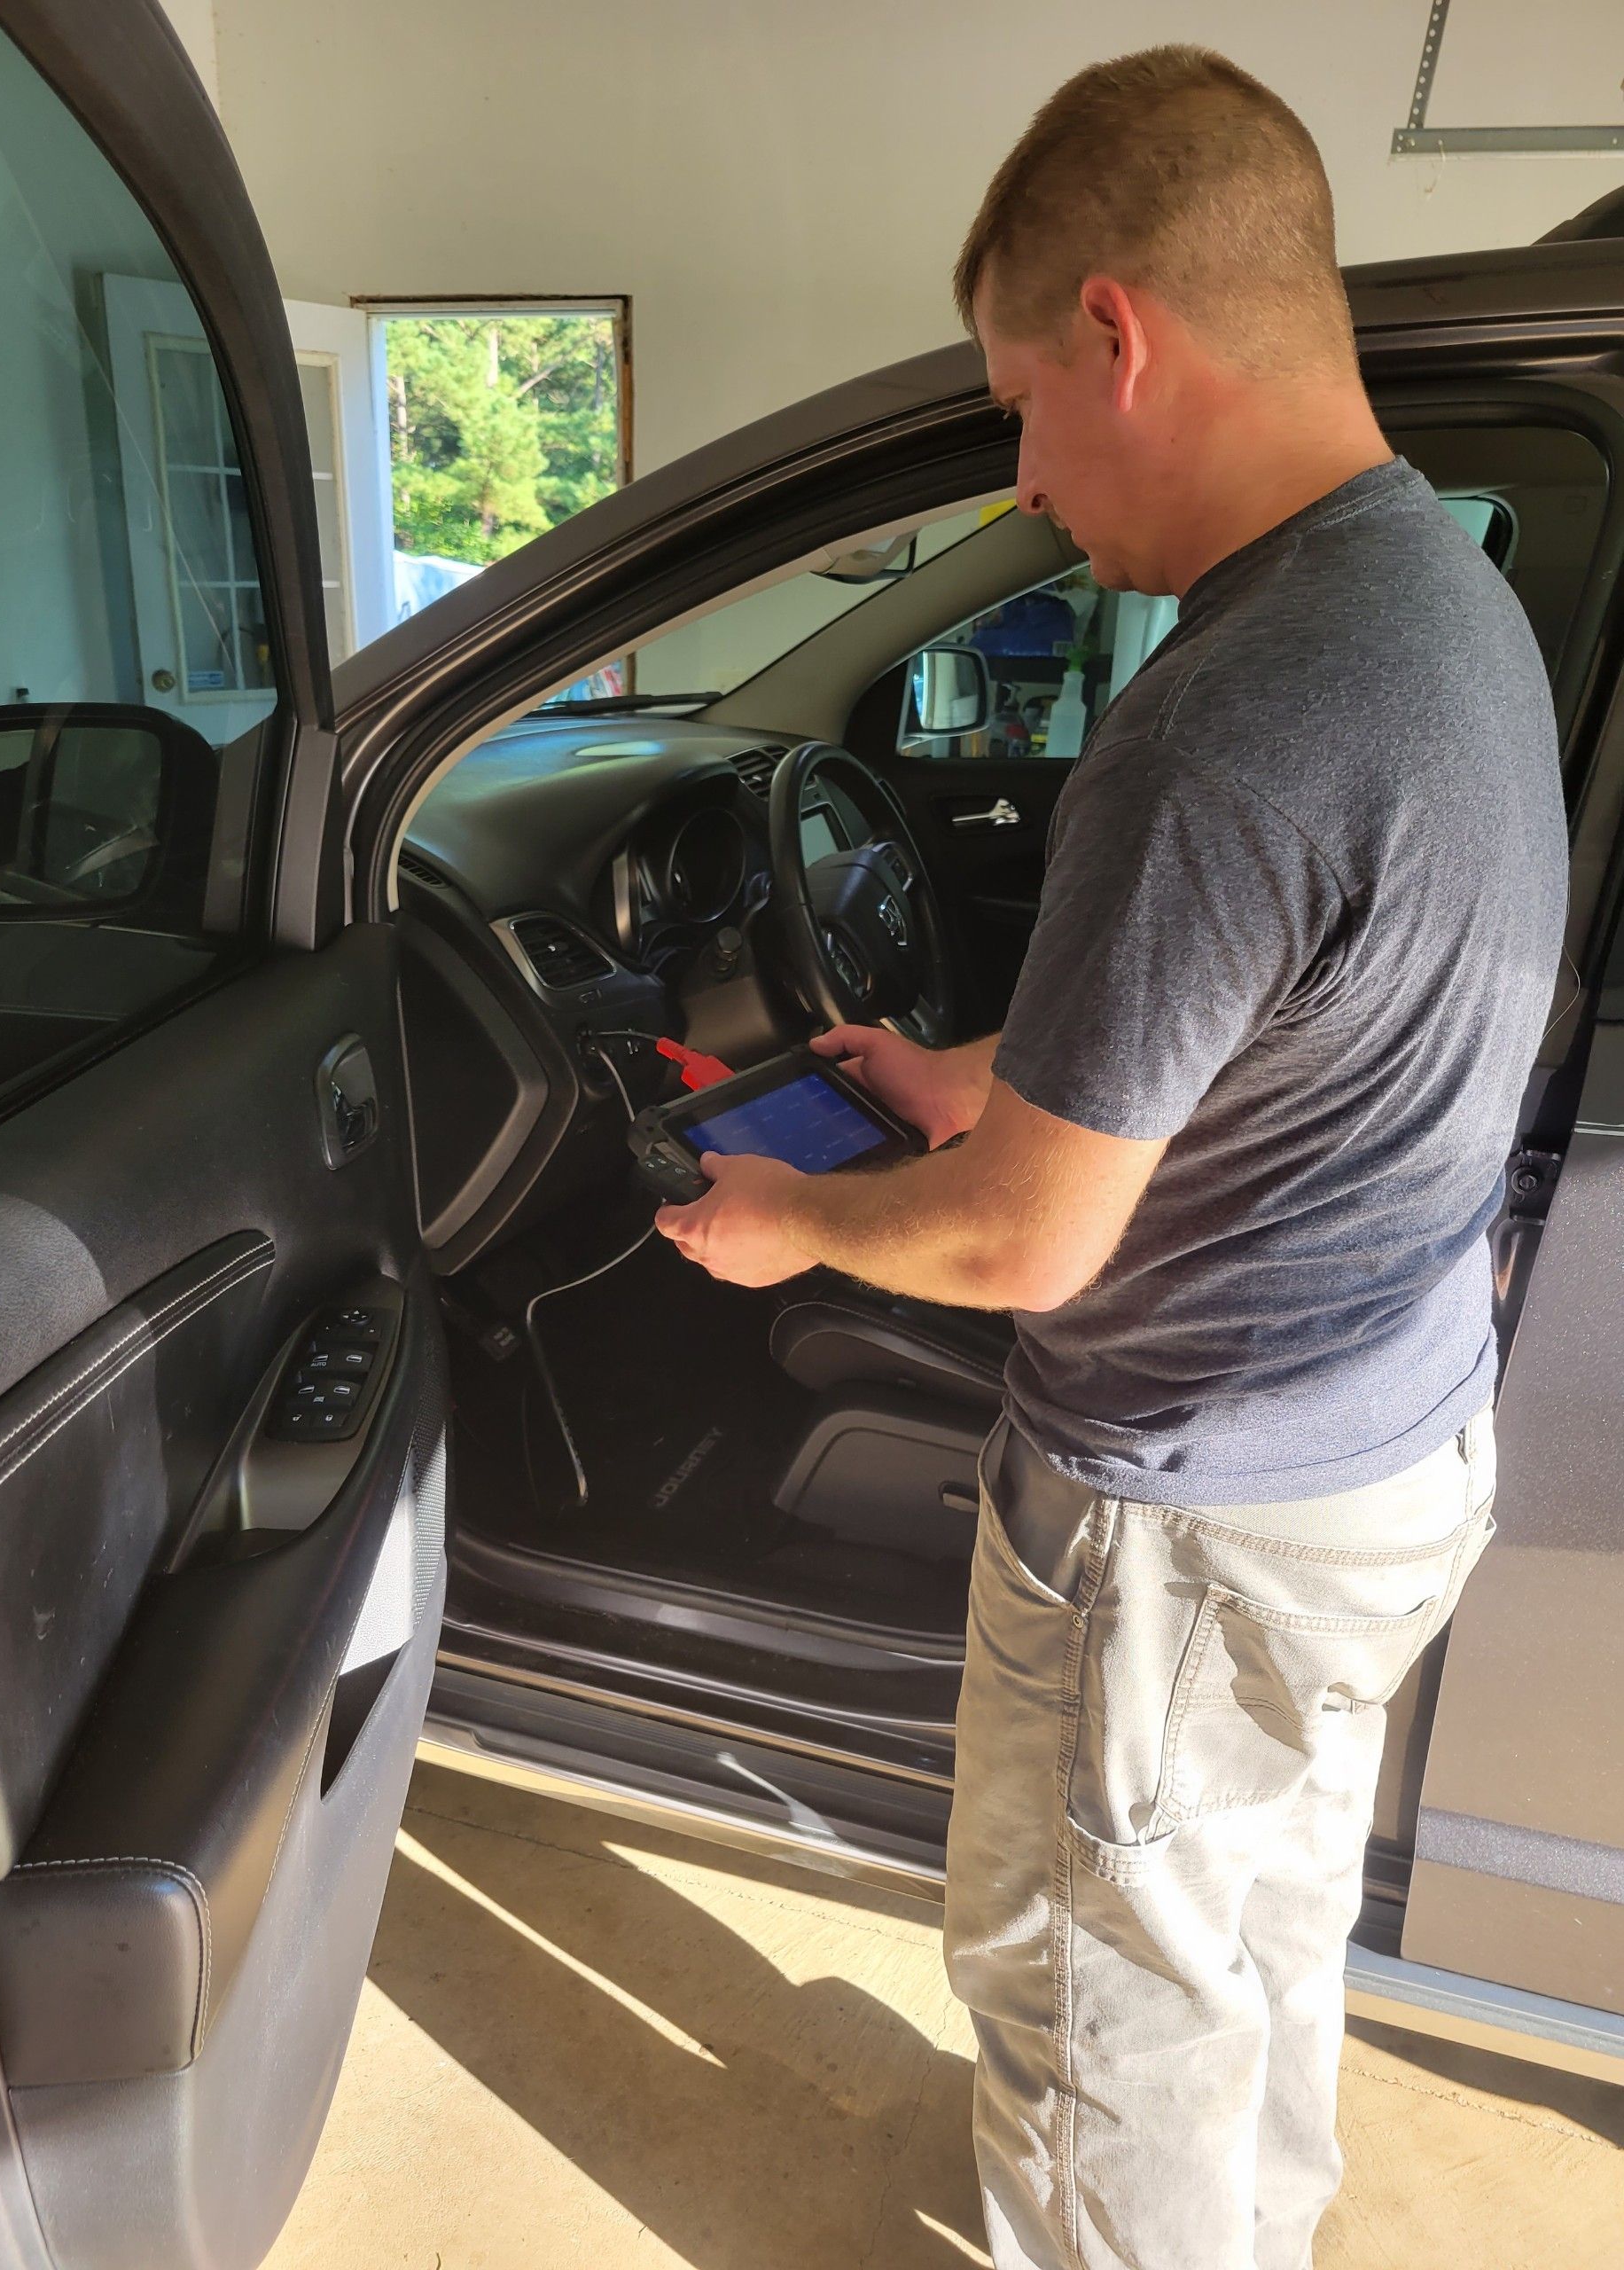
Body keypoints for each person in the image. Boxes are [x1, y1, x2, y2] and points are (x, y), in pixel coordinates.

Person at [654, 43, 1565, 2270]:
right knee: (1248, 1937)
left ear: (1118, 335)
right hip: (1384, 1461)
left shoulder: (1218, 722)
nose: (1032, 482)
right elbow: (1286, 1031)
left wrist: (795, 1216)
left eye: (1019, 404)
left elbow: (1024, 1242)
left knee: (1097, 2015)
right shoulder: (1450, 611)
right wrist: (984, 1066)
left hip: (1192, 1519)